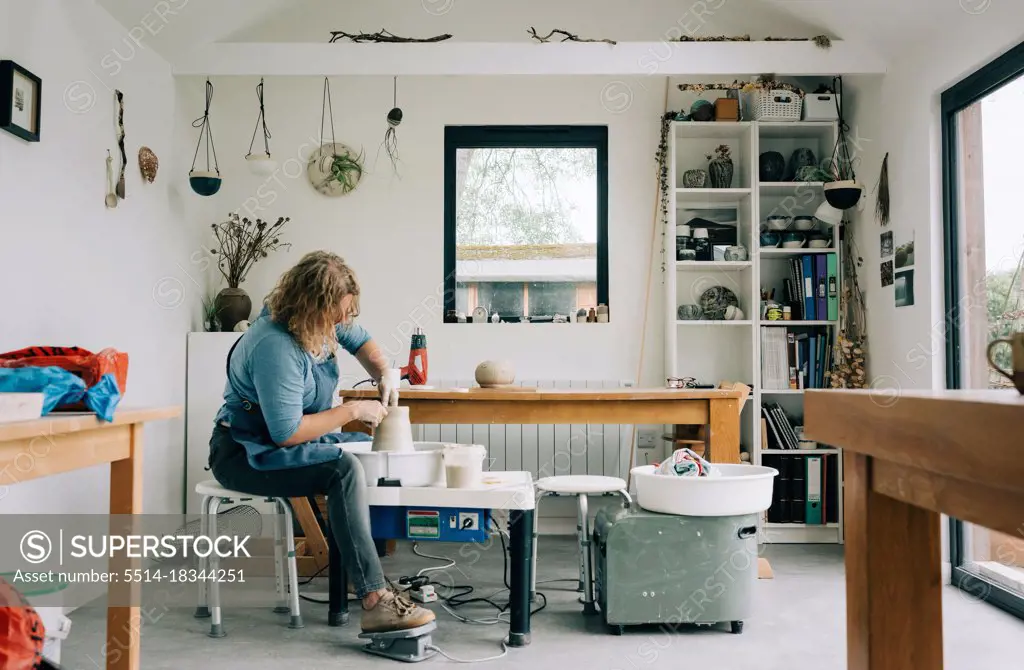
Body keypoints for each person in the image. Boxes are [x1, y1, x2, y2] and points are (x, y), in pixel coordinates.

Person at [208, 250, 435, 633]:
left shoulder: (317, 322)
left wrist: (384, 373)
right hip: (244, 453)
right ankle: (374, 598)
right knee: (342, 468)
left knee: (360, 454)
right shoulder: (275, 345)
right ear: (313, 306)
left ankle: (358, 572)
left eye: (348, 311)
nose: (344, 320)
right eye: (339, 313)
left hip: (274, 443)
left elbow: (361, 340)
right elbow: (287, 433)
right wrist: (350, 411)